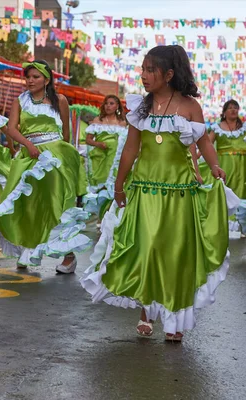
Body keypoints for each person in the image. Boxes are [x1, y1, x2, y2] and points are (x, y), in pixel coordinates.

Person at [81, 45, 236, 342]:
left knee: (174, 252)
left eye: (150, 70)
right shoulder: (141, 107)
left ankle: (176, 317)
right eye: (142, 69)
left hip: (180, 192)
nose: (143, 75)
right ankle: (145, 310)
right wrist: (119, 185)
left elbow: (203, 142)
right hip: (145, 190)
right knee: (146, 247)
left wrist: (214, 165)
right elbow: (130, 149)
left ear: (168, 74)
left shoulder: (190, 106)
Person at [0, 60, 90, 272]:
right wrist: (28, 144)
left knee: (56, 204)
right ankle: (27, 249)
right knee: (23, 203)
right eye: (28, 77)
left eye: (35, 77)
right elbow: (11, 128)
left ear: (47, 80)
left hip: (54, 158)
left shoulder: (60, 100)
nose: (30, 80)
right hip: (28, 156)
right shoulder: (20, 101)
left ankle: (68, 255)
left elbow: (65, 134)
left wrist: (60, 155)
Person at [198, 100, 246, 237]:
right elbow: (206, 144)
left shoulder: (243, 127)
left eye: (235, 107)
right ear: (224, 112)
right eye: (230, 108)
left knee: (242, 190)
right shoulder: (217, 128)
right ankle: (230, 226)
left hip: (242, 165)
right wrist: (194, 157)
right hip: (225, 164)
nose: (233, 110)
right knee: (227, 190)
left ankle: (242, 224)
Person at [83, 95, 128, 221]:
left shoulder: (122, 123)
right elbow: (88, 140)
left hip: (116, 159)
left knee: (114, 185)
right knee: (101, 186)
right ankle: (99, 215)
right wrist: (98, 144)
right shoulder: (98, 120)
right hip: (100, 158)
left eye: (112, 103)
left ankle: (110, 215)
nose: (108, 106)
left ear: (117, 106)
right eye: (106, 103)